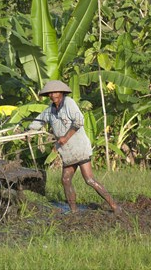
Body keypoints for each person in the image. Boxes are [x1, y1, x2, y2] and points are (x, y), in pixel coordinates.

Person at [28, 80, 121, 214]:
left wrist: (65, 138)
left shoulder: (69, 103)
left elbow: (79, 121)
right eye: (50, 93)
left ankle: (115, 206)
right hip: (67, 151)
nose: (53, 95)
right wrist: (28, 131)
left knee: (89, 179)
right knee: (66, 180)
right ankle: (74, 211)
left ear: (61, 93)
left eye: (55, 92)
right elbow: (38, 122)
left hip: (79, 147)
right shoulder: (50, 110)